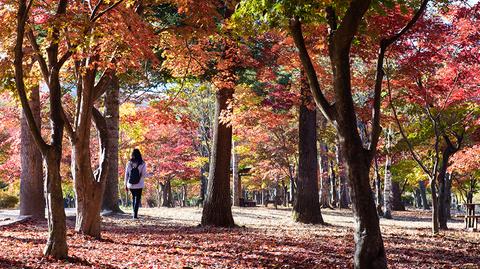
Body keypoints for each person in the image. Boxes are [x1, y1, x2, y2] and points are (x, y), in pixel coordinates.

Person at [125, 149, 147, 219]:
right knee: (137, 199)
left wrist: (125, 184)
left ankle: (134, 214)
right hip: (139, 184)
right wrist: (151, 174)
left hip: (130, 184)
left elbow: (126, 174)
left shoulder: (129, 163)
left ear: (132, 155)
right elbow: (144, 174)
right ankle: (135, 215)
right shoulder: (142, 163)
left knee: (134, 198)